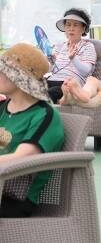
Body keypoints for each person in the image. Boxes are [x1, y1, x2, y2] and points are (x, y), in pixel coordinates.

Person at [0, 43, 65, 218]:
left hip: (14, 199)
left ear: (19, 78)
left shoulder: (45, 116)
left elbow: (22, 159)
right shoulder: (3, 107)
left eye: (2, 71)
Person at [46, 8, 97, 104]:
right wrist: (50, 60)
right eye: (68, 25)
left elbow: (86, 71)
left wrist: (73, 58)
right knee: (28, 89)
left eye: (75, 25)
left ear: (83, 28)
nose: (71, 28)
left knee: (49, 93)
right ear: (64, 28)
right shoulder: (59, 46)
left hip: (69, 84)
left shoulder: (87, 46)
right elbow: (50, 70)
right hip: (51, 80)